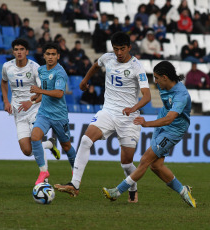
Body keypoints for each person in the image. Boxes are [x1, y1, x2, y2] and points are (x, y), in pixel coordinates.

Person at [54, 32, 151, 203]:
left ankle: (133, 188)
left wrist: (134, 108)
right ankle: (74, 184)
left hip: (129, 118)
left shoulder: (137, 67)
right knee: (85, 140)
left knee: (126, 163)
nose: (119, 53)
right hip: (108, 111)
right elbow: (95, 65)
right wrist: (84, 81)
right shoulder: (108, 58)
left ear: (129, 47)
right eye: (115, 49)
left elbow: (147, 96)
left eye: (122, 49)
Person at [102, 60, 197, 208]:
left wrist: (147, 123)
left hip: (173, 130)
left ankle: (117, 191)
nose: (155, 81)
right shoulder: (164, 86)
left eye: (157, 78)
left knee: (145, 160)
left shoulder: (181, 95)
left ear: (165, 77)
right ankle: (183, 190)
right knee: (156, 166)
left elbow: (170, 119)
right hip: (162, 124)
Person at [1, 39, 60, 181]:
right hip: (18, 112)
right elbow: (3, 82)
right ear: (13, 51)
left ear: (27, 51)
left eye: (22, 49)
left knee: (36, 140)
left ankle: (44, 181)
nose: (19, 52)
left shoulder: (35, 68)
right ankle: (50, 144)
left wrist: (31, 101)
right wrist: (6, 101)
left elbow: (43, 92)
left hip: (35, 109)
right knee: (27, 151)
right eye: (16, 49)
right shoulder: (7, 67)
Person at [29, 42, 77, 185]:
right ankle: (43, 171)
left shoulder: (60, 72)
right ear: (44, 56)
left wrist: (40, 91)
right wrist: (37, 97)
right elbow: (45, 90)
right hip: (44, 113)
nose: (50, 57)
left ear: (58, 56)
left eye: (53, 54)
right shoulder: (42, 70)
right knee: (35, 137)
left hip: (59, 116)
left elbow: (58, 93)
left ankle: (76, 171)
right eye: (48, 54)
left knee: (66, 146)